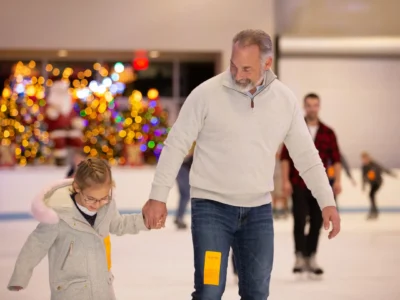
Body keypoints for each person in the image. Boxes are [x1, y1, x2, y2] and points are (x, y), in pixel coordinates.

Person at [142, 30, 340, 300]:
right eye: (234, 65)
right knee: (210, 291)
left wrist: (326, 200)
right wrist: (157, 196)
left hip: (257, 213)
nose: (238, 74)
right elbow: (175, 145)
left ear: (267, 64)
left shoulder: (284, 101)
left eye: (247, 68)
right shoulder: (205, 95)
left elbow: (306, 155)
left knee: (257, 292)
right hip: (211, 209)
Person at [7, 158, 151, 300]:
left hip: (102, 288)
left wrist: (145, 221)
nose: (97, 204)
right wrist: (20, 277)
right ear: (77, 188)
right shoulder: (58, 214)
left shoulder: (107, 207)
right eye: (91, 198)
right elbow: (35, 245)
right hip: (70, 290)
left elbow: (119, 224)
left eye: (103, 198)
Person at [280, 93, 342, 276]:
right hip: (298, 184)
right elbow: (285, 158)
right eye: (309, 105)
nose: (312, 108)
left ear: (319, 107)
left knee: (317, 222)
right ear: (304, 106)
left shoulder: (328, 133)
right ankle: (299, 256)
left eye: (315, 105)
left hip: (321, 186)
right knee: (299, 220)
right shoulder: (295, 129)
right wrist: (285, 181)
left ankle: (311, 256)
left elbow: (336, 159)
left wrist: (338, 180)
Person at [361, 151, 397, 219]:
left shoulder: (374, 164)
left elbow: (383, 169)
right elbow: (363, 177)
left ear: (368, 158)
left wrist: (392, 174)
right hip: (372, 183)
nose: (364, 160)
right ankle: (374, 211)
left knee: (371, 195)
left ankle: (374, 212)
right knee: (371, 195)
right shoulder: (364, 167)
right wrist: (363, 186)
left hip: (378, 182)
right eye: (363, 159)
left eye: (365, 158)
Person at [174, 146, 194, 229]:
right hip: (183, 170)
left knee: (184, 196)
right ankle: (179, 218)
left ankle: (179, 217)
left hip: (181, 170)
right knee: (185, 195)